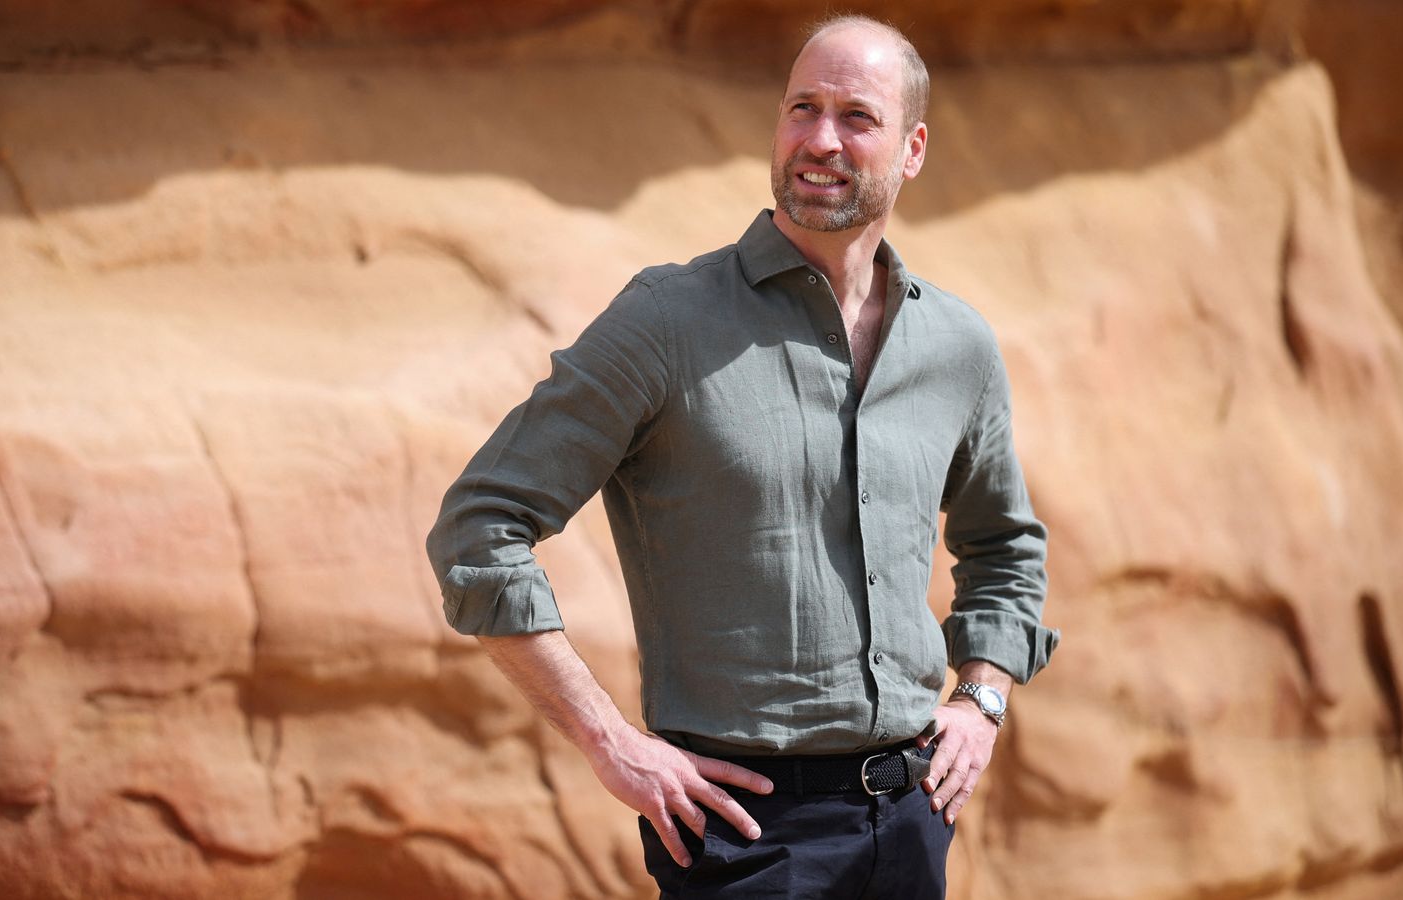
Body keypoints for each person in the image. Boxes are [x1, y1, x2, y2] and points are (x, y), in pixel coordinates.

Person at [427, 14, 1058, 899]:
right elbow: (479, 529)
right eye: (803, 108)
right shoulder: (667, 322)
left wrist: (982, 699)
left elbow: (1004, 550)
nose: (820, 140)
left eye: (857, 117)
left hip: (912, 822)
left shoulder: (955, 345)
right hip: (740, 835)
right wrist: (612, 744)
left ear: (913, 148)